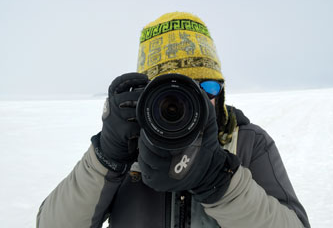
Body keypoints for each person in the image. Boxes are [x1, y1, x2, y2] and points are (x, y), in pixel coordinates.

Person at [36, 12, 310, 228]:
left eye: (208, 87)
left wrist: (221, 181)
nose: (198, 102)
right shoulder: (126, 143)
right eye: (174, 97)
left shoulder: (249, 142)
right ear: (146, 95)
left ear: (221, 91)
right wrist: (106, 157)